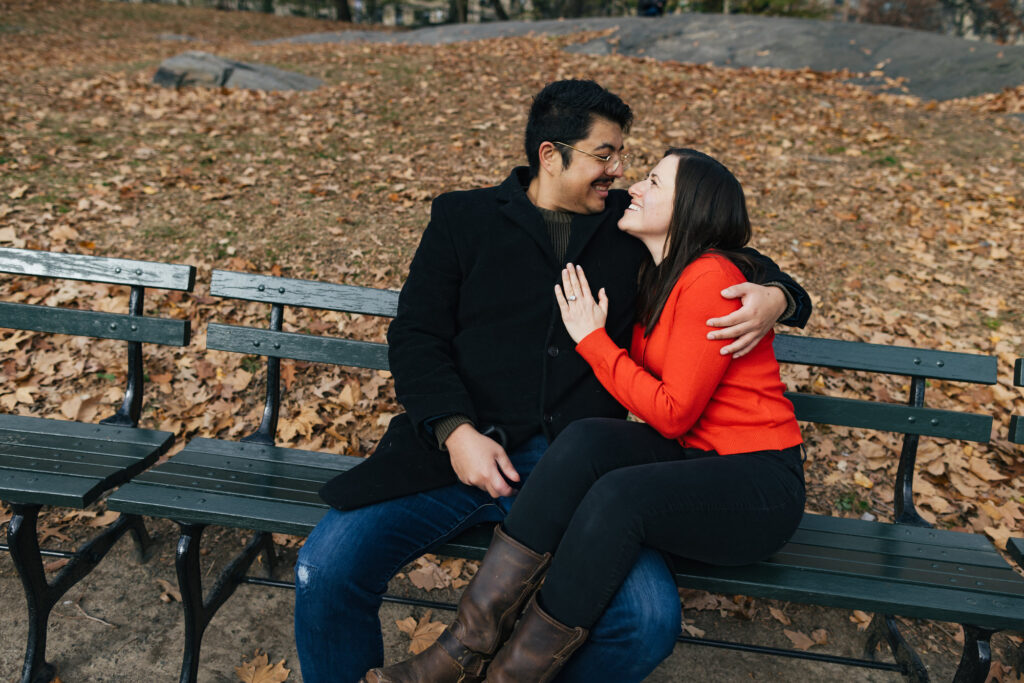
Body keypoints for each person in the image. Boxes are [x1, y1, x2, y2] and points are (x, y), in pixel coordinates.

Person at [299, 80, 811, 683]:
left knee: (647, 621)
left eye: (623, 156)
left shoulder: (630, 226)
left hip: (578, 473)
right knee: (326, 569)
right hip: (458, 457)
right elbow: (416, 337)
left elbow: (728, 250)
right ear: (551, 154)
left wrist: (780, 297)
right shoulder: (463, 218)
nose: (619, 172)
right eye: (604, 154)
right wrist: (454, 431)